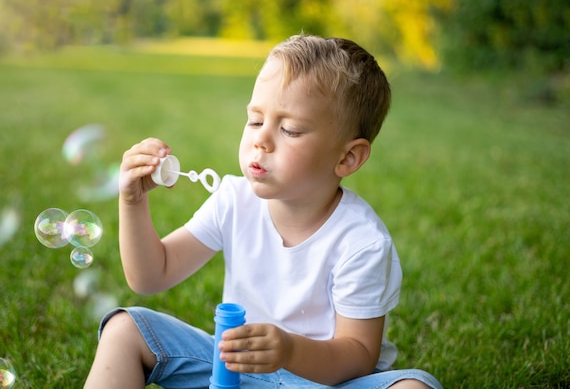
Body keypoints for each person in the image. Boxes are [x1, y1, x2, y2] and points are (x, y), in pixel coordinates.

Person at [84, 34, 443, 389]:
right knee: (124, 329)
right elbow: (151, 276)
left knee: (415, 386)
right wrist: (133, 201)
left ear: (347, 157)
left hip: (324, 384)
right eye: (255, 120)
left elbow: (359, 355)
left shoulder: (361, 242)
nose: (261, 140)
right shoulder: (233, 200)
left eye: (289, 129)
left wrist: (288, 351)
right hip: (233, 371)